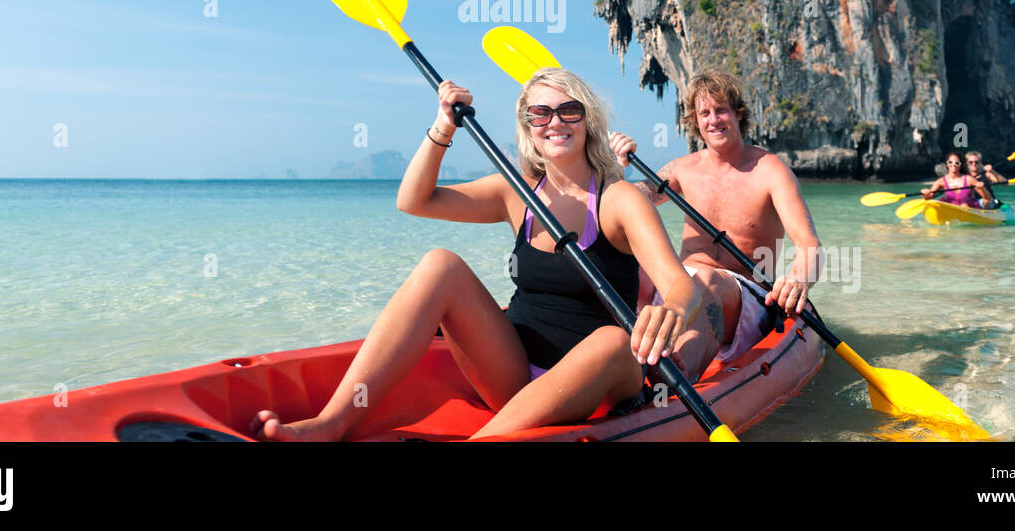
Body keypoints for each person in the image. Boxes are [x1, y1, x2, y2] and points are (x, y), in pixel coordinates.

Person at [251, 67, 698, 441]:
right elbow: (414, 201)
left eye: (569, 110)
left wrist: (673, 310)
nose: (555, 122)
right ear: (527, 126)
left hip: (602, 378)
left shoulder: (620, 200)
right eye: (540, 112)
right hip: (513, 375)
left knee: (612, 339)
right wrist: (444, 125)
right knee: (440, 264)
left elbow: (680, 285)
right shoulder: (518, 192)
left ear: (588, 121)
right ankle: (330, 424)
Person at [609, 69, 824, 383]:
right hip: (682, 289)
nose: (713, 120)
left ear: (738, 114)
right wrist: (617, 166)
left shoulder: (770, 171)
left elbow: (809, 245)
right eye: (704, 113)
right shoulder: (683, 169)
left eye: (721, 110)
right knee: (630, 260)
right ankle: (615, 358)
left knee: (708, 280)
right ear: (696, 122)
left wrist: (798, 280)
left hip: (742, 294)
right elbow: (621, 205)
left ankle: (674, 375)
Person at [920, 153, 988, 208]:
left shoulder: (969, 179)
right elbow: (929, 198)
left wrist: (983, 188)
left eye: (957, 163)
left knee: (964, 206)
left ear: (960, 165)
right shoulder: (940, 182)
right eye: (950, 162)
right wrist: (925, 194)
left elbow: (987, 199)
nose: (953, 165)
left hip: (968, 208)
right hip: (951, 208)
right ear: (947, 164)